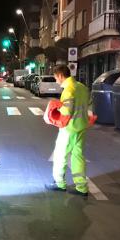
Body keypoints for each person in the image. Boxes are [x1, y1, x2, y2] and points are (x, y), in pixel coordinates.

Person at [47, 65, 91, 197]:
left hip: (69, 128)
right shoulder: (82, 87)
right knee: (78, 156)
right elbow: (89, 105)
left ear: (60, 75)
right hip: (82, 126)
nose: (56, 81)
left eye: (55, 78)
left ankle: (59, 183)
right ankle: (81, 187)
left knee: (60, 155)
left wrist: (57, 109)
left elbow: (66, 111)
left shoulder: (68, 90)